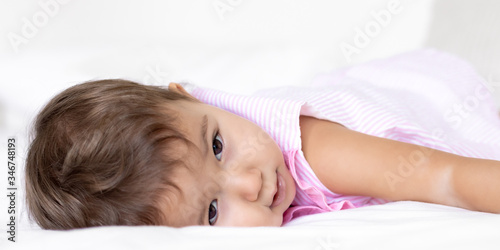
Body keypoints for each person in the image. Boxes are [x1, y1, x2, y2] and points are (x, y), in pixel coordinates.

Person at [25, 49, 500, 229]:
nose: (249, 184)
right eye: (212, 212)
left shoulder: (316, 151)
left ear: (188, 96)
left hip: (428, 90)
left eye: (216, 146)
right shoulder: (214, 137)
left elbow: (447, 178)